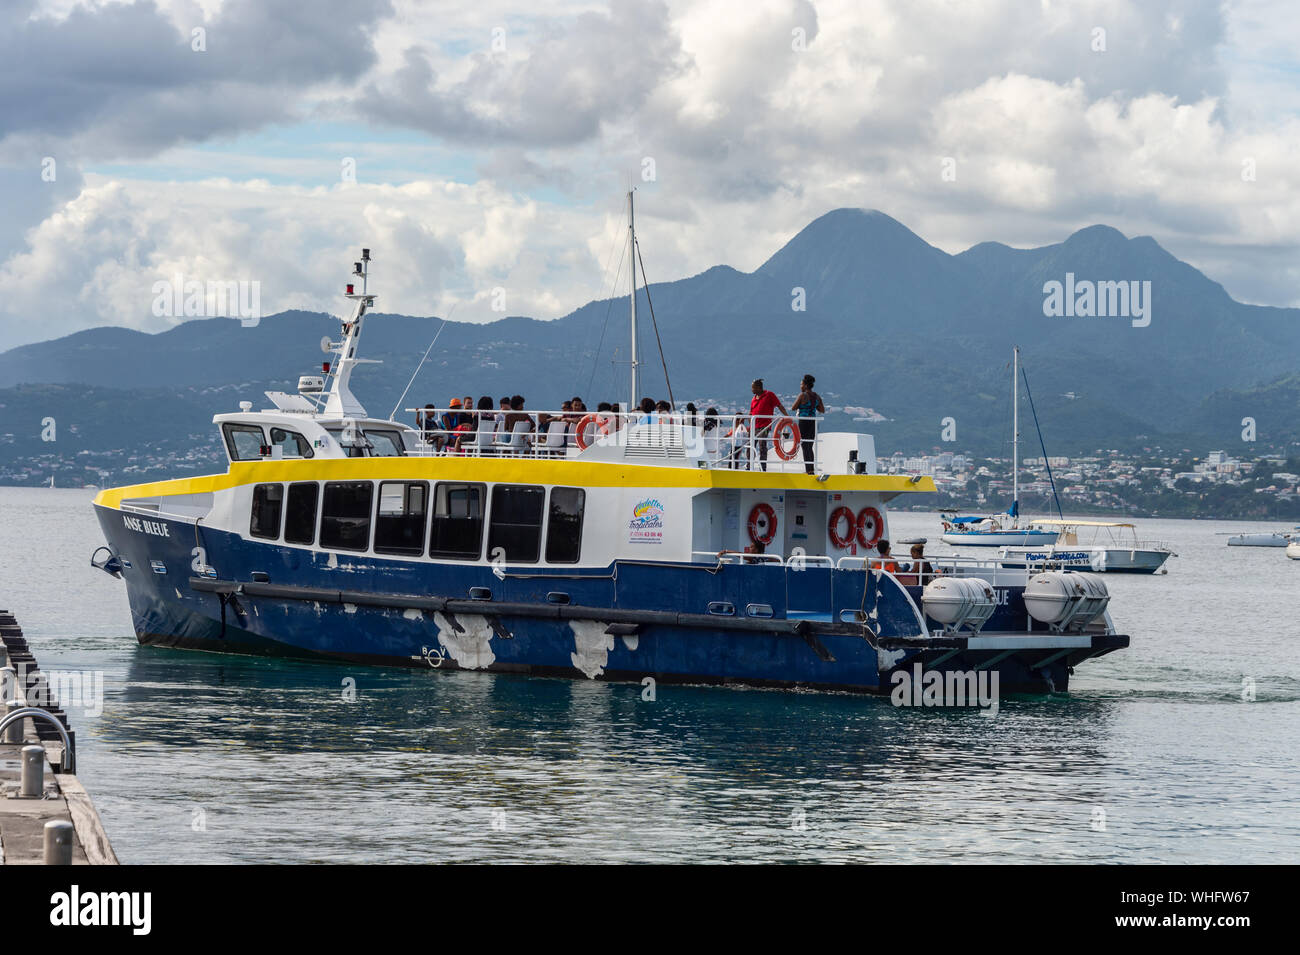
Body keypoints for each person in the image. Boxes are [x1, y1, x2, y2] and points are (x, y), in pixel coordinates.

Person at [748, 378, 788, 471]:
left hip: (764, 426)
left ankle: (763, 467)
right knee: (750, 446)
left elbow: (779, 405)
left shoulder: (769, 395)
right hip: (754, 426)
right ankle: (749, 465)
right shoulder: (754, 399)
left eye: (753, 388)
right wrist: (749, 424)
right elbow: (751, 412)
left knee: (762, 446)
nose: (752, 390)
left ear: (758, 388)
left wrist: (787, 417)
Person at [790, 373, 824, 475]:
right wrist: (813, 406)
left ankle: (808, 470)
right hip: (813, 422)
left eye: (801, 384)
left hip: (804, 421)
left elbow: (793, 407)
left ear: (805, 385)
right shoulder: (816, 396)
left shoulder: (802, 395)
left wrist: (803, 405)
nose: (800, 386)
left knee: (805, 445)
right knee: (810, 446)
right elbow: (822, 410)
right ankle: (811, 469)